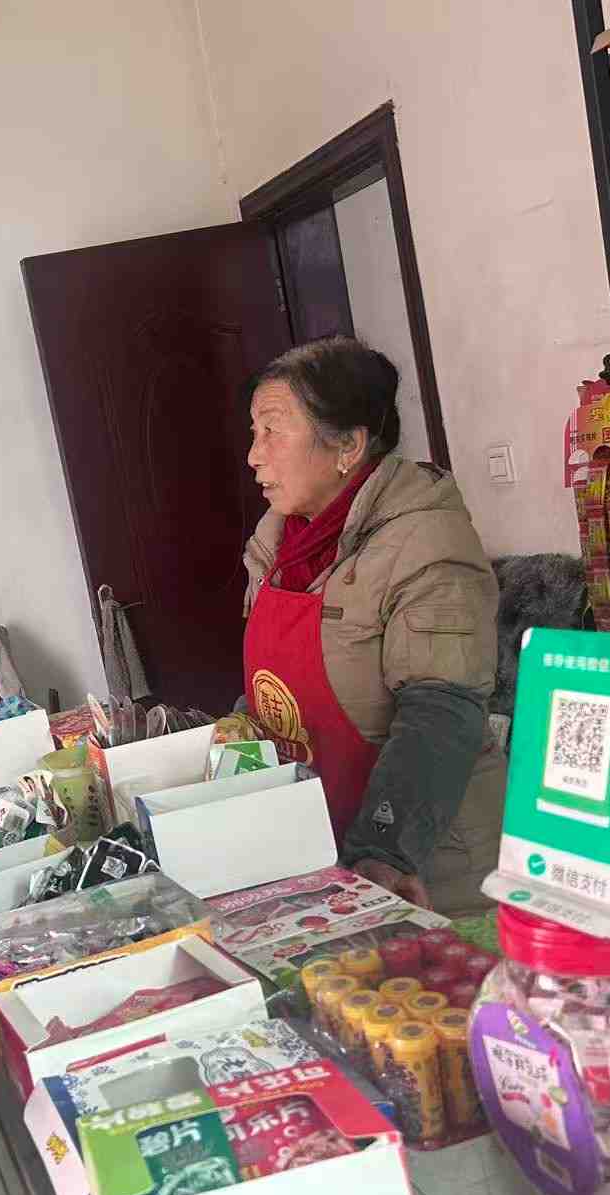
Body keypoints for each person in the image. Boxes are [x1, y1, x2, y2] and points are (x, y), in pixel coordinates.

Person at [241, 337, 503, 916]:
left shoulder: (427, 543)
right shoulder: (277, 544)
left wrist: (383, 850)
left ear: (348, 446)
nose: (254, 455)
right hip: (320, 843)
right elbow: (279, 686)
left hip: (424, 865)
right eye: (254, 433)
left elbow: (441, 711)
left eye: (273, 431)